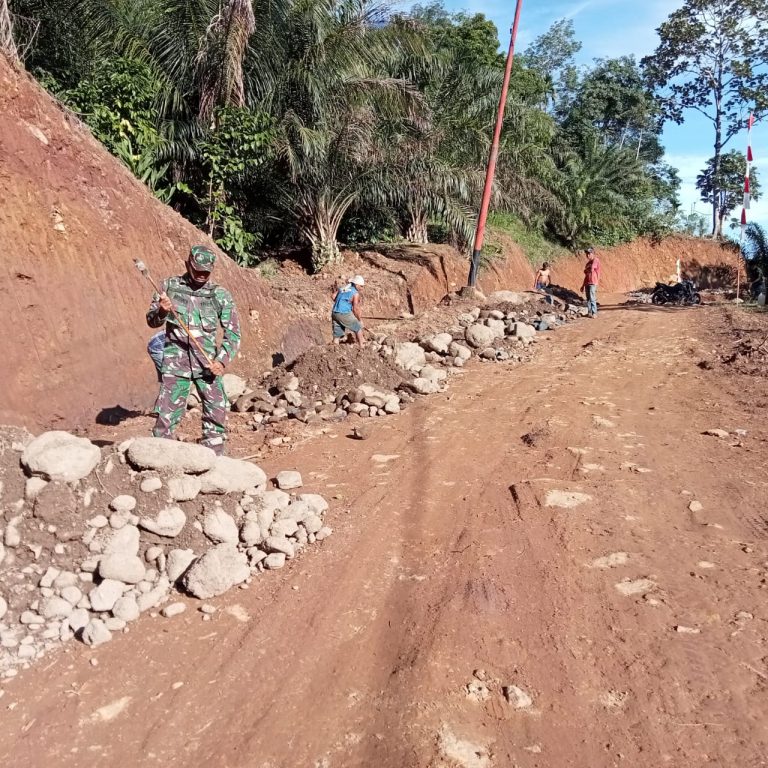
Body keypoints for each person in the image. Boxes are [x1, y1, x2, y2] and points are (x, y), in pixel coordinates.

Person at [146, 245, 241, 455]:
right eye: (197, 270)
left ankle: (213, 457)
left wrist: (222, 361)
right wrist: (162, 310)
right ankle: (160, 459)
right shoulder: (169, 287)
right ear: (187, 265)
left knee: (217, 410)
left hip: (206, 364)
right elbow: (151, 321)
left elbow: (233, 334)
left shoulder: (219, 295)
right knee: (166, 415)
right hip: (175, 363)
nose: (200, 276)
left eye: (205, 272)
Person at [332, 275, 365, 346]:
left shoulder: (343, 288)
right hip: (343, 313)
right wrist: (359, 320)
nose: (362, 288)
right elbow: (355, 309)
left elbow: (333, 296)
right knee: (358, 328)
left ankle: (334, 350)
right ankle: (362, 348)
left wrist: (341, 302)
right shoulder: (355, 293)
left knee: (337, 335)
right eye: (361, 286)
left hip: (335, 313)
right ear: (356, 285)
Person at [581, 246, 601, 317]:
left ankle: (594, 312)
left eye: (589, 253)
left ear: (593, 253)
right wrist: (583, 285)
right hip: (587, 282)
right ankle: (589, 312)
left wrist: (587, 269)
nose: (587, 255)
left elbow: (592, 268)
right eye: (587, 254)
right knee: (588, 299)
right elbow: (586, 275)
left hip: (593, 282)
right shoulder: (587, 264)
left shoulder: (596, 260)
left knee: (592, 297)